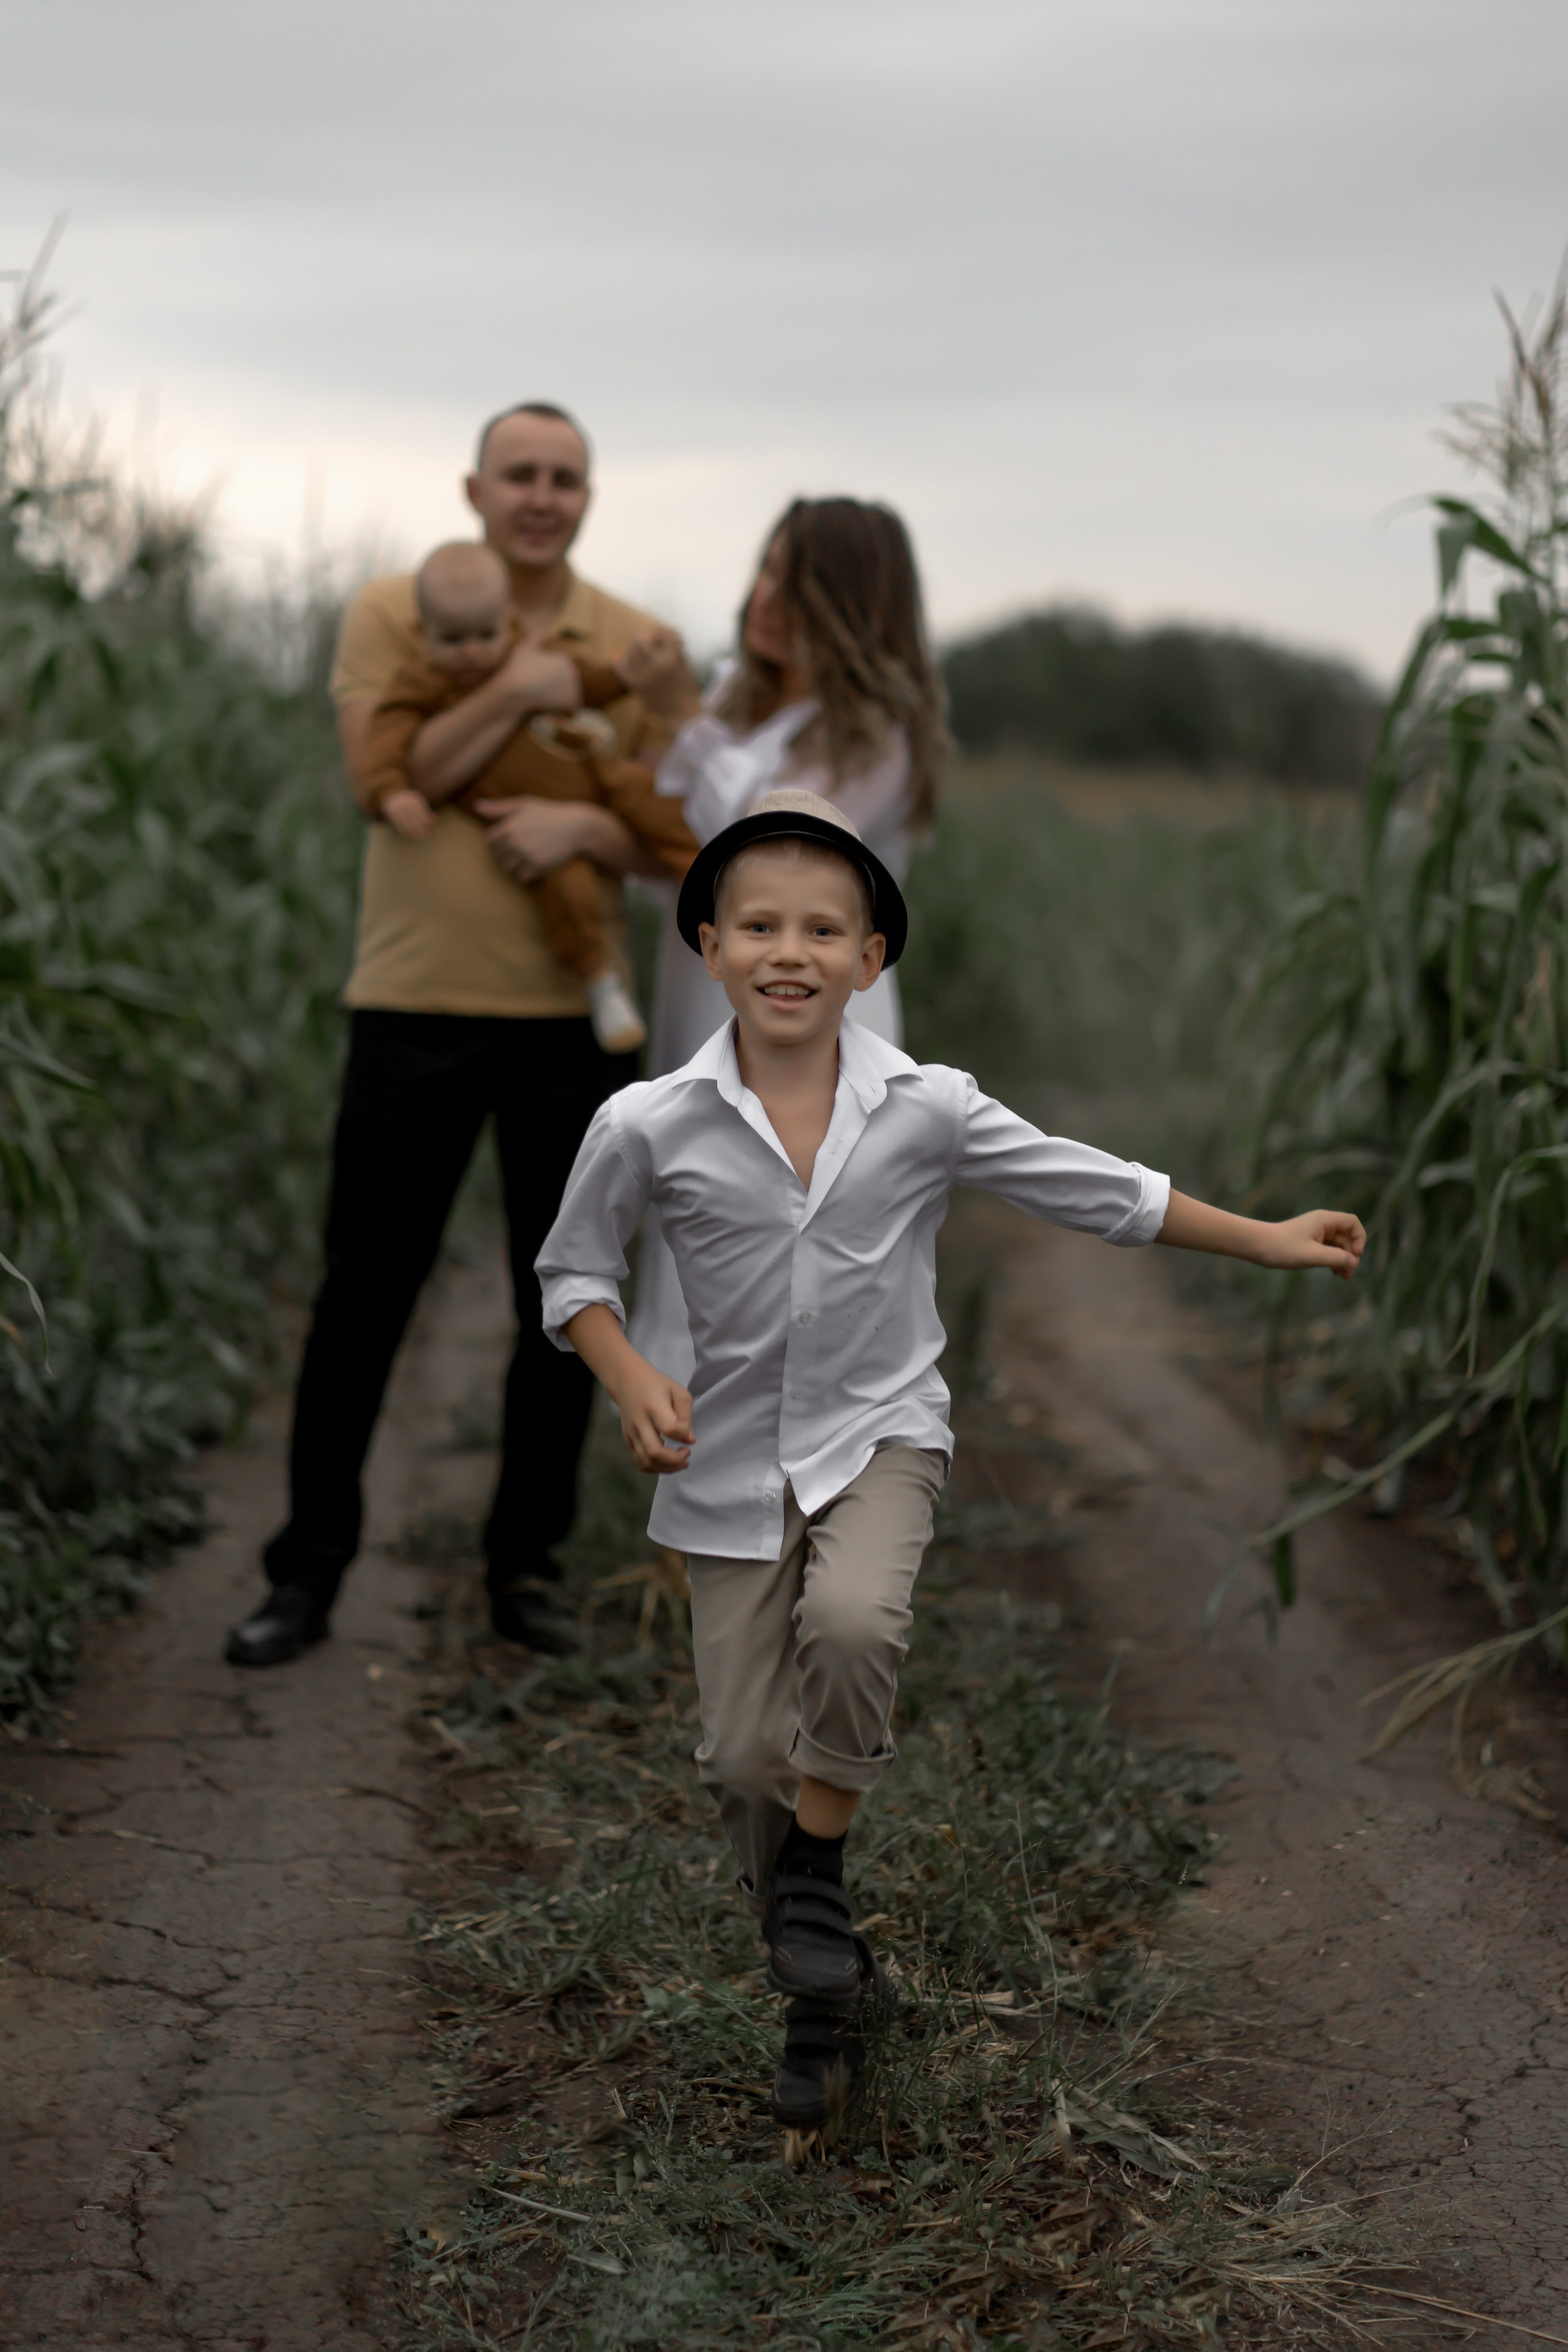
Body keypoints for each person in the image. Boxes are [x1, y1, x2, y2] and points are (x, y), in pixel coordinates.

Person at [535, 788, 1367, 2140]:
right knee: (741, 1761)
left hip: (880, 1437)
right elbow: (572, 1271)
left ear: (873, 960)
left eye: (823, 928)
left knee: (857, 1623)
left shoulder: (926, 1109)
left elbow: (1092, 1188)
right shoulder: (646, 1123)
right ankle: (826, 1971)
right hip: (727, 1463)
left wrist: (1265, 1237)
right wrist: (628, 1378)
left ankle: (813, 1902)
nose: (789, 950)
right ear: (705, 946)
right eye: (757, 925)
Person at [225, 402, 698, 1669]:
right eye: (519, 474)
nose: (541, 496)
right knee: (362, 1297)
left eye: (564, 478)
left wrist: (581, 833)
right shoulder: (399, 606)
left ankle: (523, 1572)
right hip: (412, 1006)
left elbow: (654, 818)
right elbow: (391, 778)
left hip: (575, 1026)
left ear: (587, 498)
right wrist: (528, 688)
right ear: (474, 488)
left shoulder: (625, 637)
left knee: (563, 1304)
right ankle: (306, 1572)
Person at [630, 494, 944, 1387]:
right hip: (708, 1001)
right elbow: (687, 866)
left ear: (852, 606)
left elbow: (770, 847)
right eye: (766, 569)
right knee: (693, 1246)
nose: (765, 596)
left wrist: (679, 720)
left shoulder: (879, 738)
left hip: (814, 1027)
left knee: (784, 1263)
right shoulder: (742, 700)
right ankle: (687, 1513)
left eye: (797, 582)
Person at [362, 541, 698, 1056]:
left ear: (509, 619)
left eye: (485, 635)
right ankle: (598, 980)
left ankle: (723, 884)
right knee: (567, 890)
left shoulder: (537, 653)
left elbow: (587, 681)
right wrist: (390, 792)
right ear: (421, 636)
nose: (472, 652)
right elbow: (383, 744)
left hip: (596, 772)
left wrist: (624, 675)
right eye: (453, 640)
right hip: (519, 819)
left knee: (663, 813)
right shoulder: (424, 683)